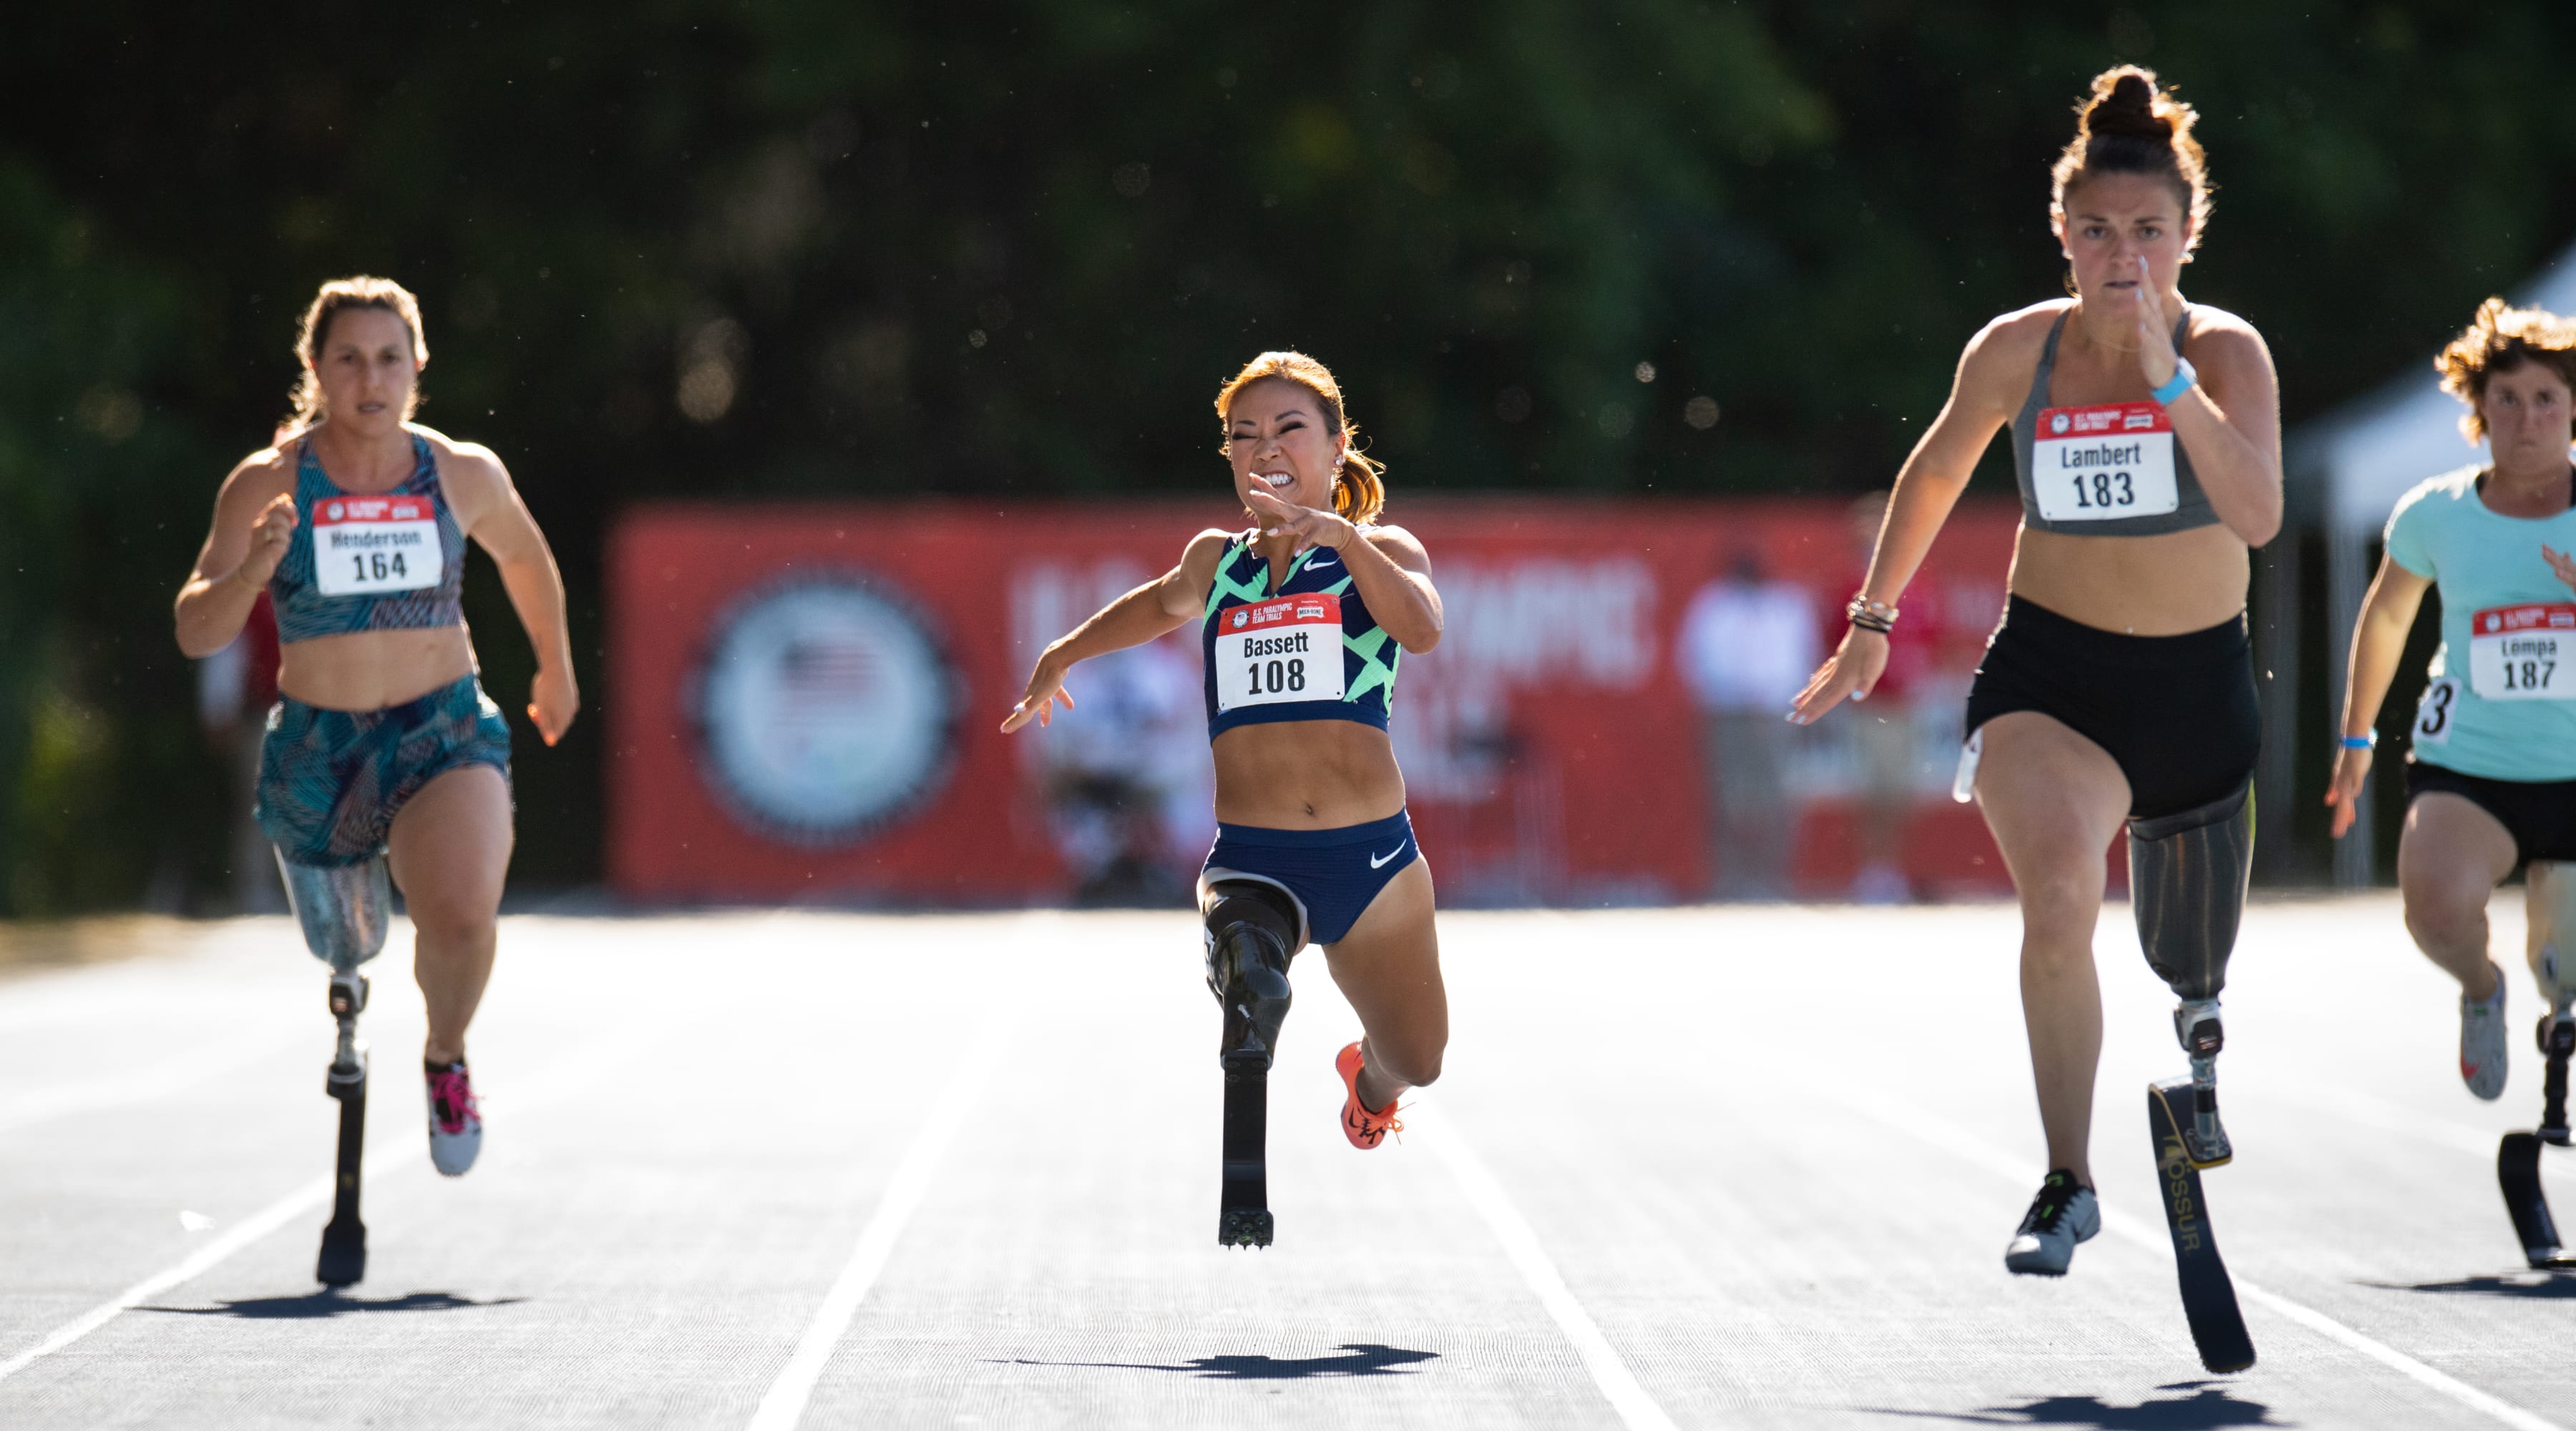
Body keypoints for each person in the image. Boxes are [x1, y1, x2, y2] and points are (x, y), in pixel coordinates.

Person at [1790, 67, 2282, 1276]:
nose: (2123, 257)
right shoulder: (2021, 350)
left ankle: (2199, 1040)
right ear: (2063, 235)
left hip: (2196, 690)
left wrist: (2166, 376)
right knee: (2059, 897)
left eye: (2149, 234)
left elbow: (2260, 514)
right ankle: (2068, 1179)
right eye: (2099, 232)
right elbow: (1937, 468)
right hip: (2052, 679)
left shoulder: (2226, 354)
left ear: (2187, 236)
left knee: (2191, 961)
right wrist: (1872, 619)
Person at [174, 276, 578, 1176]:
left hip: (442, 731)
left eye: (390, 358)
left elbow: (525, 553)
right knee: (346, 943)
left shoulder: (462, 472)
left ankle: (445, 1055)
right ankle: (353, 978)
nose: (372, 377)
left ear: (417, 366)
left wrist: (555, 664)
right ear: (316, 369)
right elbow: (194, 627)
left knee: (465, 914)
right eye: (350, 358)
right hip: (322, 744)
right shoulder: (267, 484)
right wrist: (252, 573)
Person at [1002, 351, 1447, 1149]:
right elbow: (1155, 603)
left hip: (1373, 862)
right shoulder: (1221, 562)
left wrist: (1346, 539)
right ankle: (1246, 960)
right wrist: (1063, 652)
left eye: (1289, 428)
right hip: (1255, 854)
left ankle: (1368, 1085)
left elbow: (1421, 628)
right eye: (1245, 435)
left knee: (1420, 1057)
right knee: (1250, 957)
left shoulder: (1382, 551)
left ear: (1337, 445)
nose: (1265, 447)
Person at [2328, 299, 2576, 1102]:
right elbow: (2388, 615)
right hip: (2471, 766)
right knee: (2432, 906)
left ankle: (2558, 999)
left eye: (2547, 400)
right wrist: (2356, 737)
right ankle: (2480, 987)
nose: (2527, 420)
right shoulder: (2436, 512)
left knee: (2566, 965)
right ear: (2478, 410)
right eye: (2507, 399)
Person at [1675, 552, 1818, 898]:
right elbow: (1694, 657)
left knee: (1777, 797)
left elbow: (1802, 656)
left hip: (1775, 714)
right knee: (1726, 797)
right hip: (1729, 713)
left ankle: (1773, 878)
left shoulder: (1786, 604)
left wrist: (1785, 700)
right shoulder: (1713, 605)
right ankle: (1730, 878)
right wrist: (1730, 693)